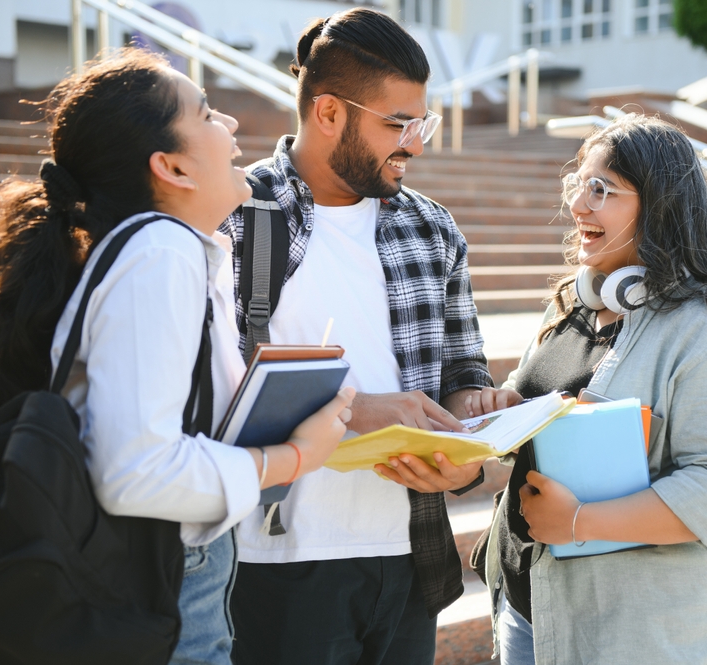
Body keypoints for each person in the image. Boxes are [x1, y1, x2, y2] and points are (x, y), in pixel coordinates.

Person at [0, 49, 354, 665]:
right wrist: (293, 459)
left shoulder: (167, 250)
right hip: (163, 580)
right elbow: (136, 471)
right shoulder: (160, 253)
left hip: (167, 574)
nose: (231, 125)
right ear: (171, 167)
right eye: (207, 113)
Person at [219, 9, 493, 665]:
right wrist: (355, 409)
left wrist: (467, 442)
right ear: (328, 112)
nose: (415, 145)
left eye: (421, 123)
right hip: (274, 560)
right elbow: (205, 385)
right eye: (397, 125)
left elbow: (463, 371)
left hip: (409, 555)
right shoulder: (235, 214)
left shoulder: (433, 227)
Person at [464, 114, 707, 664]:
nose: (577, 205)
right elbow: (537, 399)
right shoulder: (575, 305)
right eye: (577, 185)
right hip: (526, 606)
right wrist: (509, 407)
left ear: (659, 206)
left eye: (601, 189)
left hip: (630, 637)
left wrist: (580, 522)